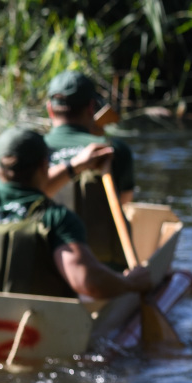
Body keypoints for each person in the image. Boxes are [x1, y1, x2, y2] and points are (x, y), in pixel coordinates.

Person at [0, 128, 150, 301]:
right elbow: (89, 283)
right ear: (45, 165)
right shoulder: (54, 218)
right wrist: (129, 282)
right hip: (31, 329)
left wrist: (75, 166)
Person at [39, 70, 136, 270]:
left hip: (43, 260)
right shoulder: (114, 148)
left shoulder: (32, 150)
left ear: (50, 109)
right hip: (101, 266)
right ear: (91, 107)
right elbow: (124, 201)